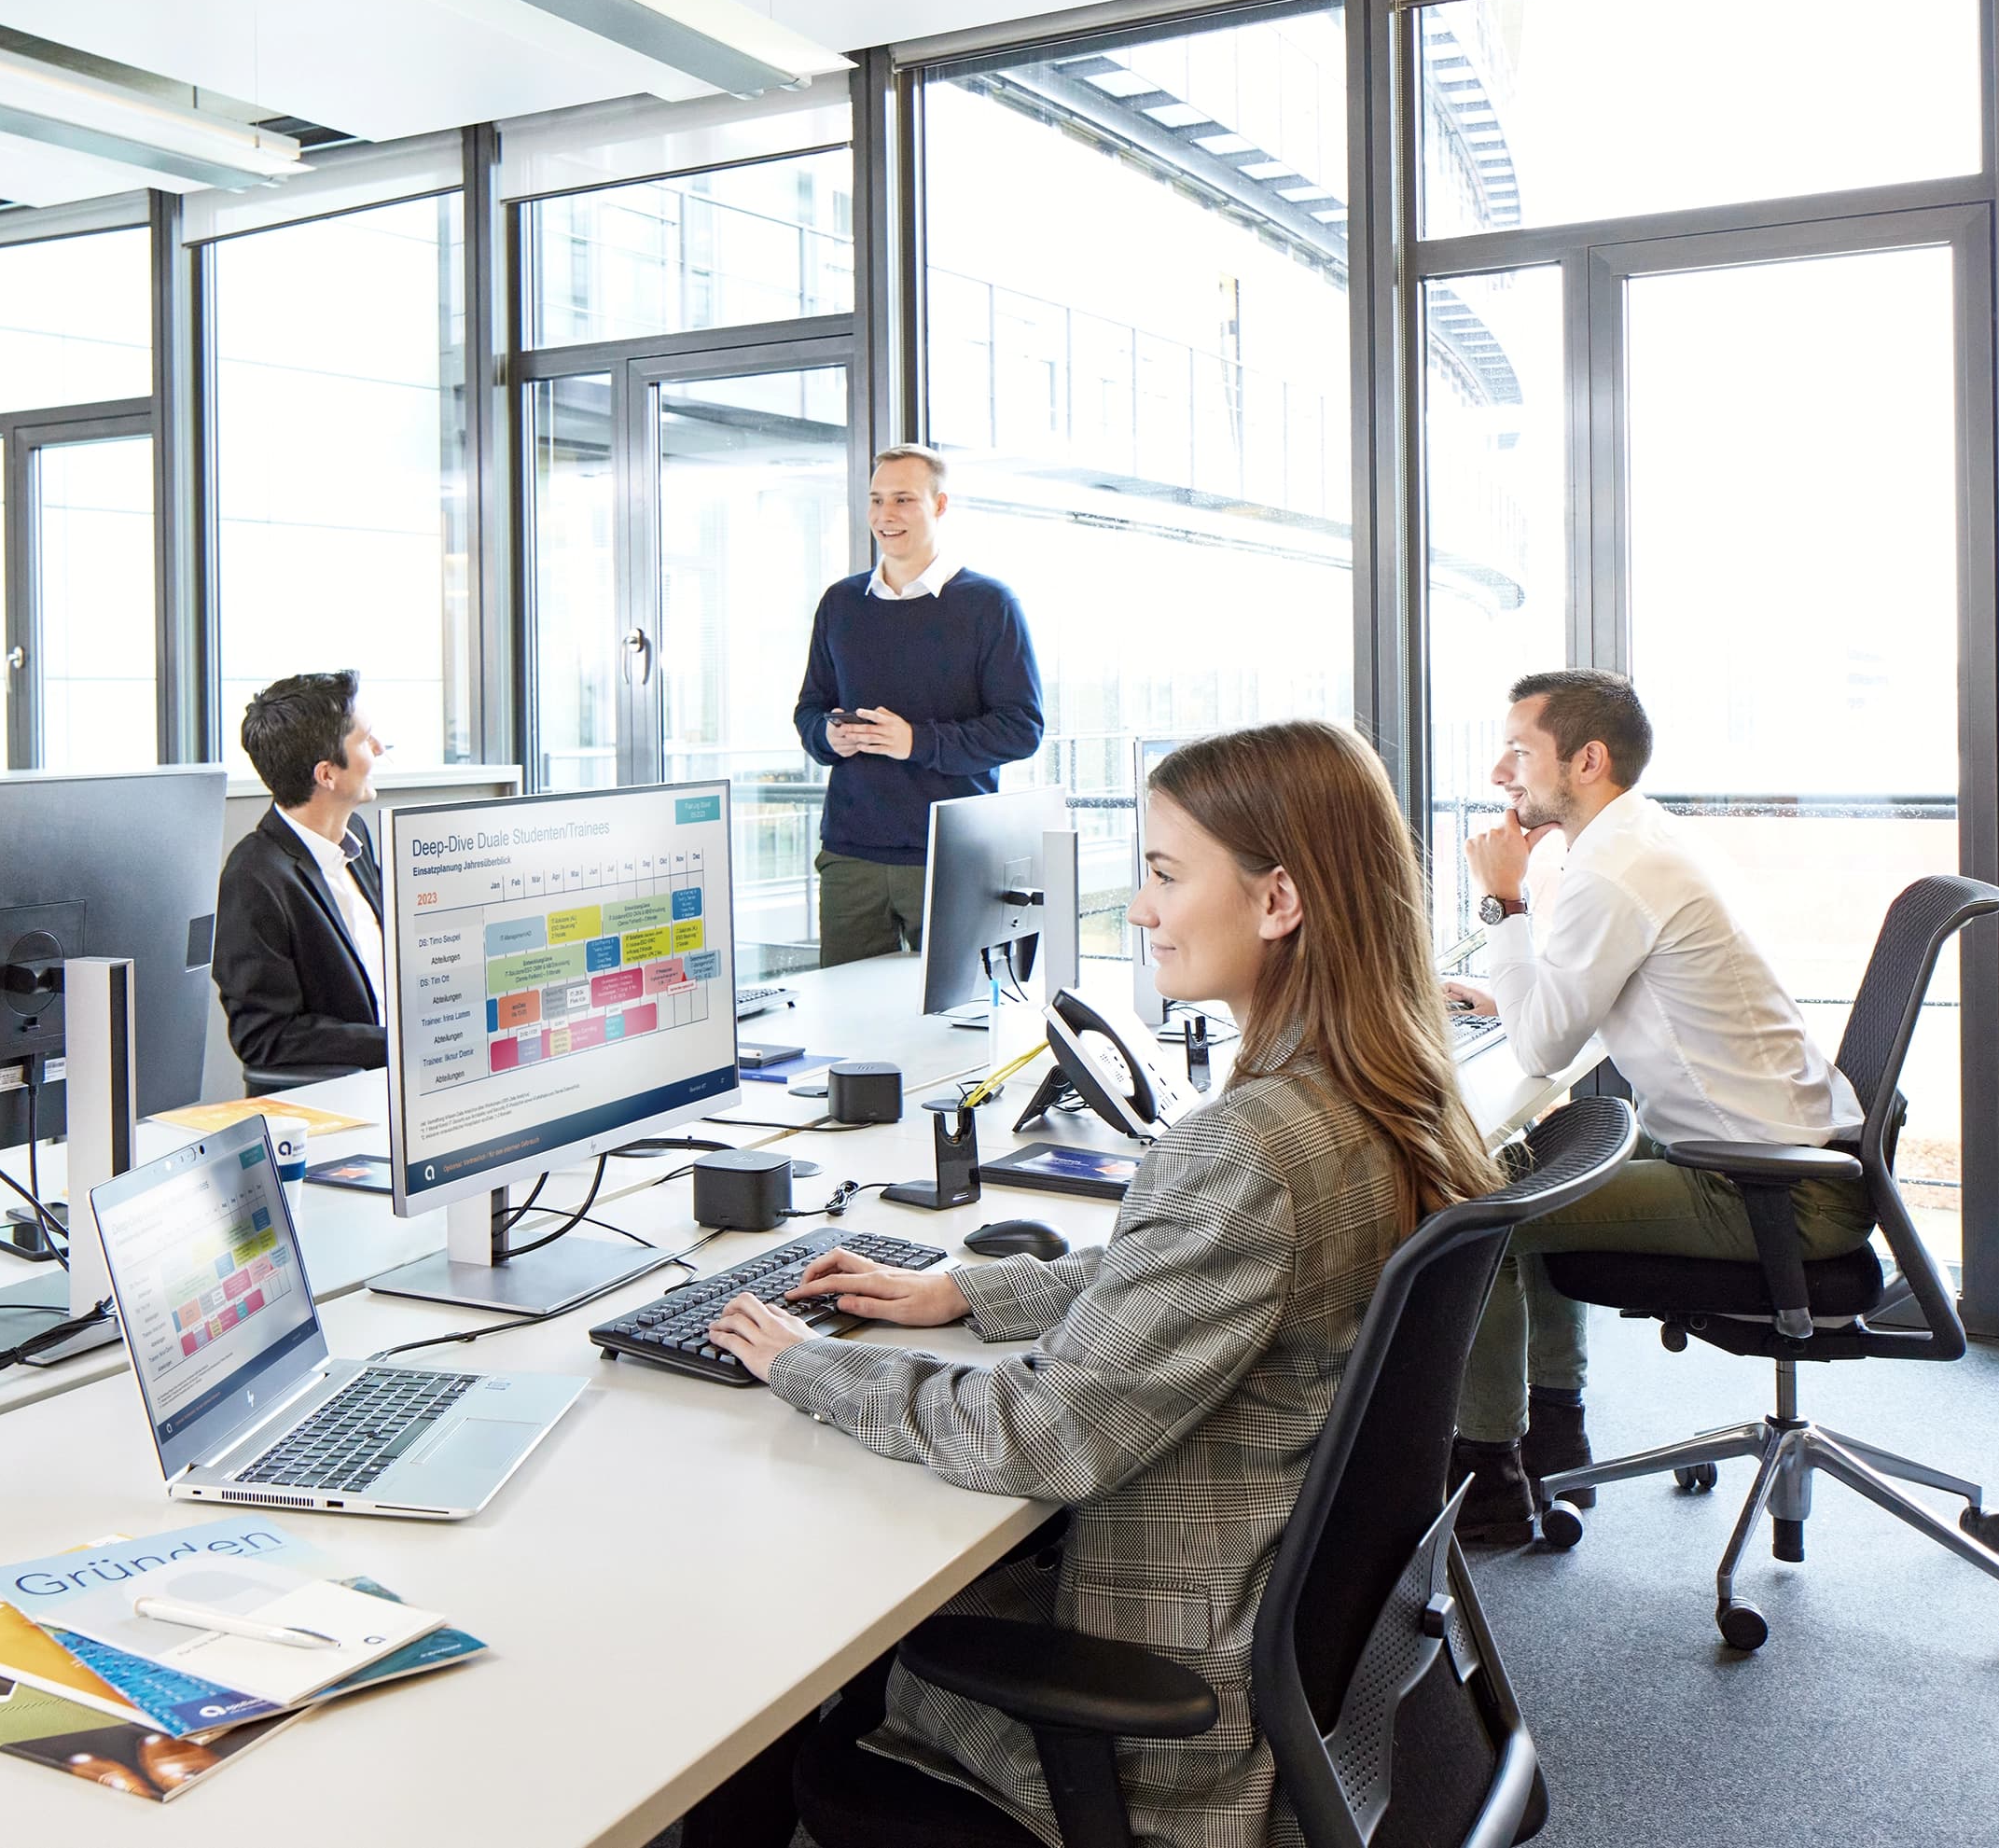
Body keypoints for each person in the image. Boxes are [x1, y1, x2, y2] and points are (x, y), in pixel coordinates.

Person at [689, 720, 1501, 1848]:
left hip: (1167, 1707)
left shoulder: (1247, 1151)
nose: (1137, 909)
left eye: (1166, 875)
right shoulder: (1385, 1093)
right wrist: (970, 1295)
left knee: (778, 1636)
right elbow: (1190, 1274)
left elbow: (1048, 1434)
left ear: (1279, 901)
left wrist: (807, 1363)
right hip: (1293, 1645)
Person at [1437, 668, 1867, 1547]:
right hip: (1773, 1154)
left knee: (1472, 1215)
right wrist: (1505, 991)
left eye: (1519, 750)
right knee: (1524, 1172)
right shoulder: (1636, 840)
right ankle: (1551, 1437)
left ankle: (1488, 1478)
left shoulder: (1613, 870)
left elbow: (1544, 1048)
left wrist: (1502, 902)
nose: (1498, 774)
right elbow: (1573, 1011)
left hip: (1770, 1191)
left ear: (1586, 759)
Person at [792, 443, 1044, 966]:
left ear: (940, 505)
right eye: (876, 499)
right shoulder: (840, 604)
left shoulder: (989, 604)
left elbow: (1021, 728)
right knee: (847, 1021)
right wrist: (827, 736)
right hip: (850, 856)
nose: (886, 515)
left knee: (959, 1022)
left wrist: (916, 741)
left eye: (903, 499)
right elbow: (810, 709)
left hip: (950, 856)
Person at [213, 670, 391, 1080]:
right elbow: (264, 1036)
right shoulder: (254, 878)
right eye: (365, 740)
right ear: (326, 774)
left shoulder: (356, 837)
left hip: (397, 1082)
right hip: (341, 1098)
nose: (378, 749)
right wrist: (394, 1043)